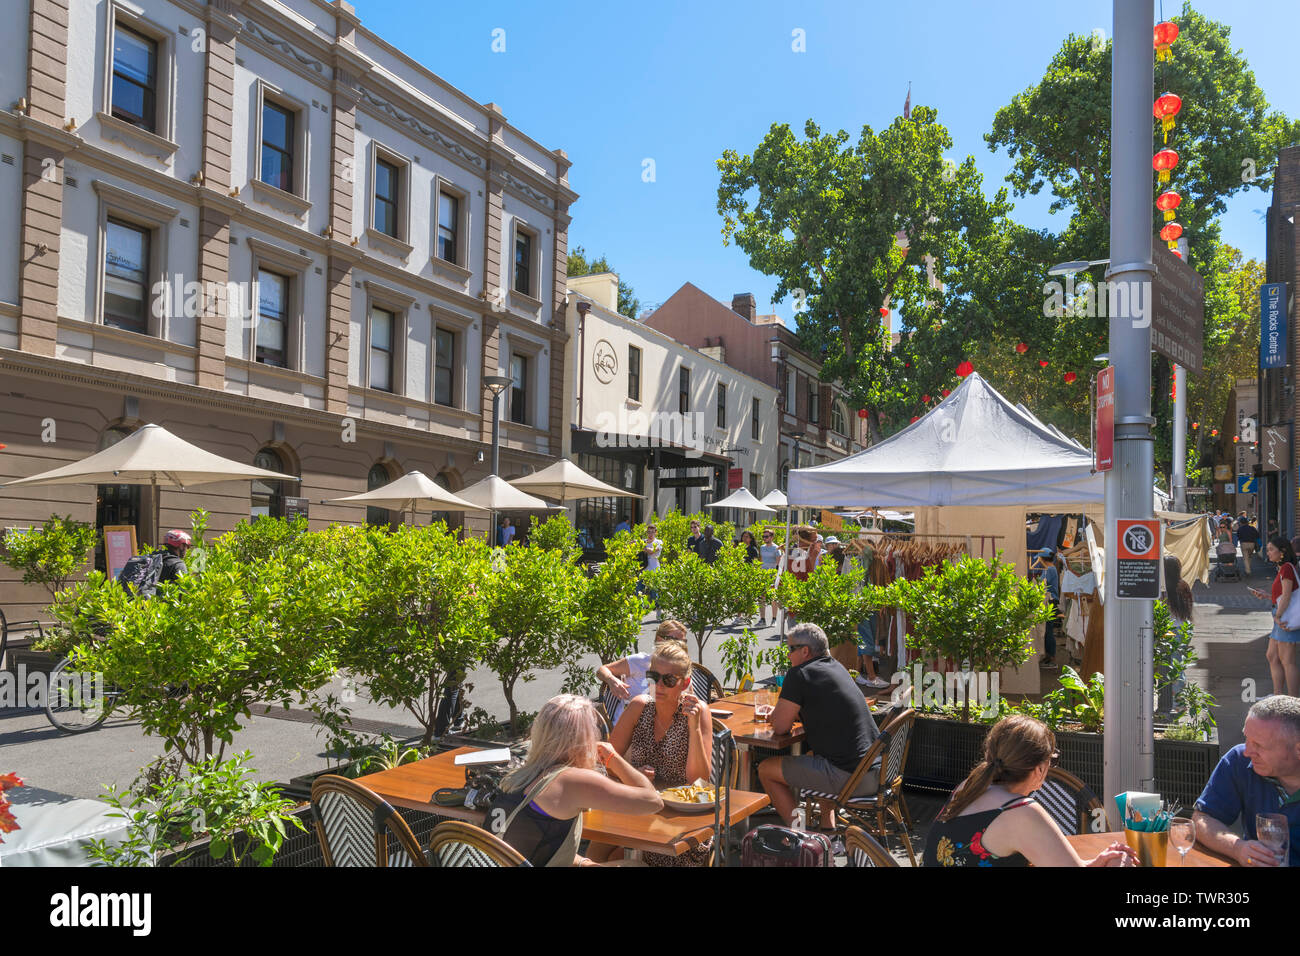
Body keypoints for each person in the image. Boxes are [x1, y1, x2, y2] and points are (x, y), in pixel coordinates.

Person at [924, 715, 1136, 866]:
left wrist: (1094, 863)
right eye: (1052, 760)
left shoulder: (968, 786)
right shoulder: (1019, 812)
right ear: (1039, 769)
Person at [490, 694, 663, 866]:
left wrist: (584, 863)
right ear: (583, 737)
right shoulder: (571, 779)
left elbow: (536, 843)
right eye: (595, 731)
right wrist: (614, 759)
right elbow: (653, 801)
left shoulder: (521, 773)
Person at [591, 641, 714, 866]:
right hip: (637, 807)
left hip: (678, 820)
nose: (659, 685)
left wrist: (694, 728)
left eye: (668, 680)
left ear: (685, 682)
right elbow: (605, 760)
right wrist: (633, 773)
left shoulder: (698, 712)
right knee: (592, 855)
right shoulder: (639, 707)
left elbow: (698, 782)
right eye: (653, 677)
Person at [758, 624, 882, 828]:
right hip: (878, 771)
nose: (788, 656)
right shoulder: (836, 667)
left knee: (765, 770)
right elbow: (821, 707)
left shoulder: (799, 674)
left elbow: (780, 727)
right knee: (815, 756)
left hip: (851, 778)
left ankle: (801, 835)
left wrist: (776, 715)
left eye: (790, 650)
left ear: (805, 651)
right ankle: (828, 828)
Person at [1193, 696, 1300, 867]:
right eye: (1246, 739)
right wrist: (1237, 848)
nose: (1247, 751)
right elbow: (1202, 820)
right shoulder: (1239, 761)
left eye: (1259, 745)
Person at [595, 620, 688, 724]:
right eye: (676, 641)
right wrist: (612, 680)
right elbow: (601, 670)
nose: (681, 646)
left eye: (684, 642)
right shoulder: (640, 661)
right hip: (629, 726)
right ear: (659, 639)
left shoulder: (681, 669)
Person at [1256, 536, 1300, 697]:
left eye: (1270, 549)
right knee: (1272, 656)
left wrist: (1278, 616)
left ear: (1282, 552)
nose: (1267, 553)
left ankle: (1293, 701)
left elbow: (1287, 596)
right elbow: (1283, 595)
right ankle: (1277, 696)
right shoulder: (1283, 568)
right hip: (1281, 615)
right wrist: (1267, 596)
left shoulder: (1287, 568)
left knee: (1287, 661)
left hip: (1284, 617)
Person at [116, 529, 191, 597]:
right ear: (181, 545)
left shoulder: (153, 558)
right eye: (187, 546)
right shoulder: (178, 564)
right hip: (161, 608)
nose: (187, 549)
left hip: (141, 604)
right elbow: (183, 592)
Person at [1033, 548, 1061, 669]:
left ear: (1042, 558)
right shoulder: (1050, 569)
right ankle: (1048, 656)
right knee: (1047, 629)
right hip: (1050, 601)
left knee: (1048, 629)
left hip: (1050, 601)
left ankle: (1052, 658)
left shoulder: (1049, 570)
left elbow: (1042, 584)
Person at [759, 528, 784, 623]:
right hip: (763, 575)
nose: (764, 538)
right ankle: (762, 619)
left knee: (773, 597)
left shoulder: (776, 548)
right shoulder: (761, 547)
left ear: (772, 537)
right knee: (762, 597)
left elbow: (779, 563)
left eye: (766, 536)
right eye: (763, 537)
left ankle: (774, 619)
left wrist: (777, 577)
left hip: (773, 575)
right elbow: (761, 561)